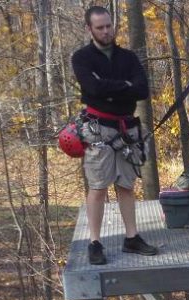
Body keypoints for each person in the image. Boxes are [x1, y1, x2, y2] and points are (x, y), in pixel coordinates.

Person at [72, 5, 158, 265]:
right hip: (99, 129)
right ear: (89, 29)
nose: (106, 31)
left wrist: (112, 89)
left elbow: (142, 90)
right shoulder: (82, 58)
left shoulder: (127, 57)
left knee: (126, 185)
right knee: (98, 187)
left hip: (127, 128)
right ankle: (95, 242)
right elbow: (92, 87)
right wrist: (125, 86)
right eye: (100, 27)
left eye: (109, 26)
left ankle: (131, 237)